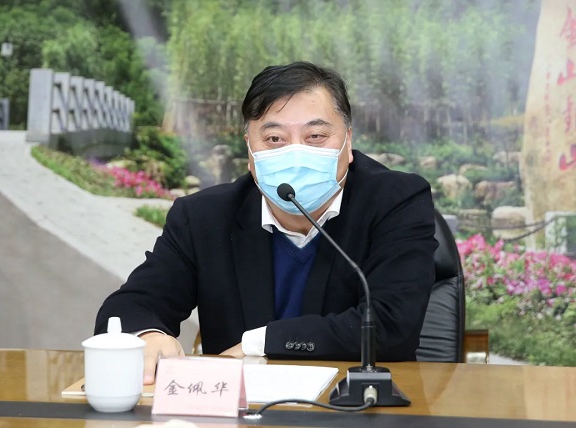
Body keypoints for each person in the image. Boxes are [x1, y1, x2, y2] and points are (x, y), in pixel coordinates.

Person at [95, 61, 438, 385]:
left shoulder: (395, 201)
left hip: (354, 405)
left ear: (348, 142)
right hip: (241, 409)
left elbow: (391, 325)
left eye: (316, 136)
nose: (296, 153)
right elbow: (127, 309)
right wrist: (148, 335)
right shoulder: (203, 217)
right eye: (275, 139)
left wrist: (259, 343)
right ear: (250, 150)